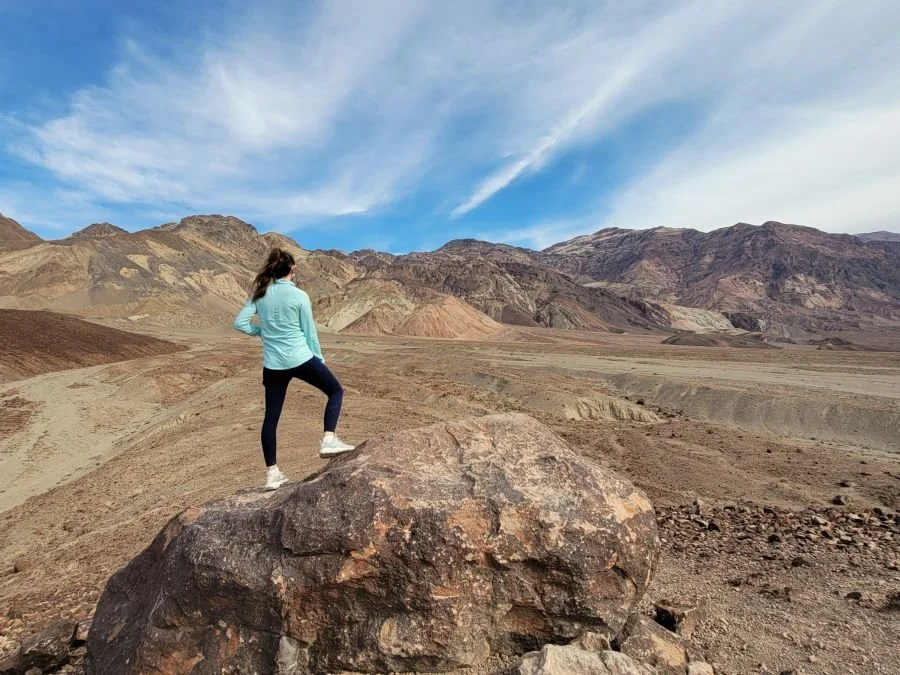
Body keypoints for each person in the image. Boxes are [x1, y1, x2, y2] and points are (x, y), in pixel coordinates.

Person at [234, 248, 354, 490]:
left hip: (273, 365)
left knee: (271, 418)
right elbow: (309, 331)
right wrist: (318, 358)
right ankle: (328, 439)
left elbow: (239, 323)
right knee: (335, 390)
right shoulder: (299, 296)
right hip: (300, 357)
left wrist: (262, 332)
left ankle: (272, 474)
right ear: (291, 270)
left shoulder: (260, 294)